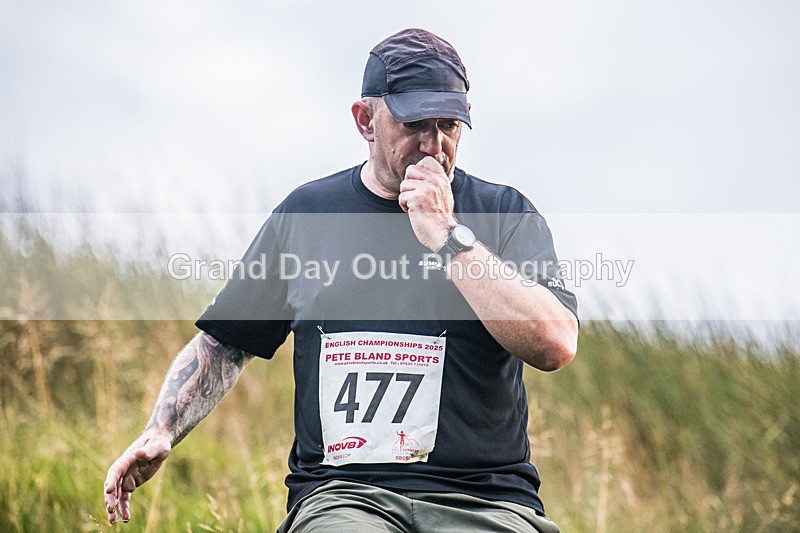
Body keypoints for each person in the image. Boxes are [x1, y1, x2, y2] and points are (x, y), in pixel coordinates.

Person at [104, 28, 578, 532]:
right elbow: (226, 343)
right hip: (346, 499)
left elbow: (555, 343)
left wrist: (447, 235)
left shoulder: (503, 213)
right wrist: (161, 429)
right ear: (365, 120)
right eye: (415, 123)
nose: (433, 146)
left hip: (484, 501)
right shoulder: (308, 214)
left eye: (448, 125)